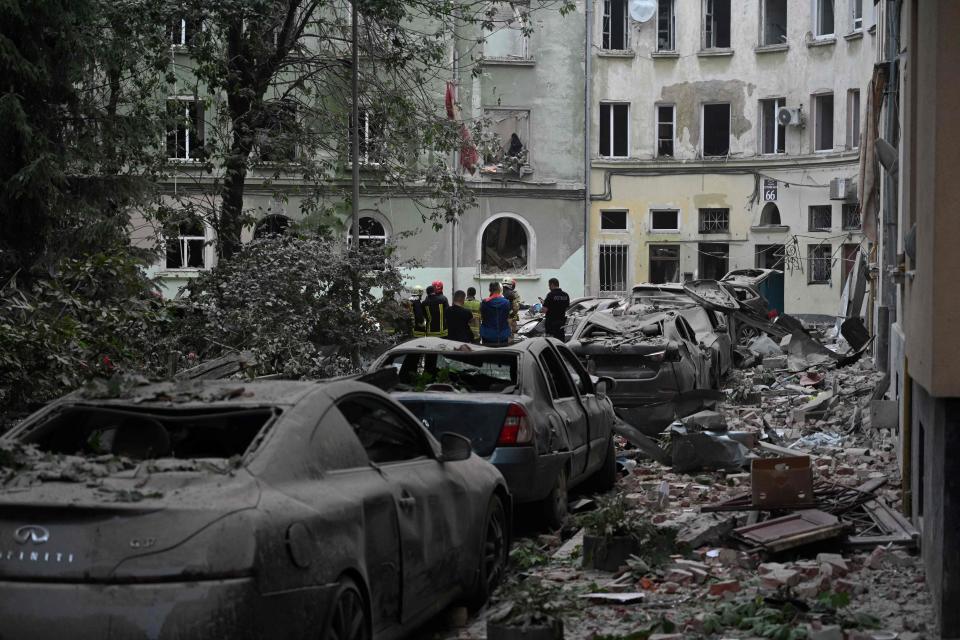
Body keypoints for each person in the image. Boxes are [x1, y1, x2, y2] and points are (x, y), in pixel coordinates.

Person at [480, 281, 512, 346]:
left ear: (489, 290)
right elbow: (508, 318)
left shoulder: (484, 302)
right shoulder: (506, 302)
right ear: (500, 289)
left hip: (487, 334)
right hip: (503, 335)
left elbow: (482, 317)